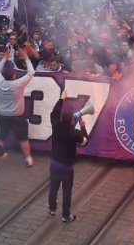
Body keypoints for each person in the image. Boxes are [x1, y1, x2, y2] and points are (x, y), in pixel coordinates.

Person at [48, 90, 88, 223]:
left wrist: (61, 99)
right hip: (66, 167)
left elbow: (54, 113)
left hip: (54, 163)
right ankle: (66, 216)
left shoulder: (56, 126)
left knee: (53, 187)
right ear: (72, 120)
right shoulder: (75, 133)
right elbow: (85, 142)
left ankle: (52, 209)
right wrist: (83, 128)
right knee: (66, 192)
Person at [0, 49, 36, 168]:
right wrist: (26, 57)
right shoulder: (18, 84)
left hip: (2, 116)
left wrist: (4, 58)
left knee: (0, 139)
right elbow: (31, 72)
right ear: (14, 75)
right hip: (17, 117)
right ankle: (28, 158)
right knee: (23, 139)